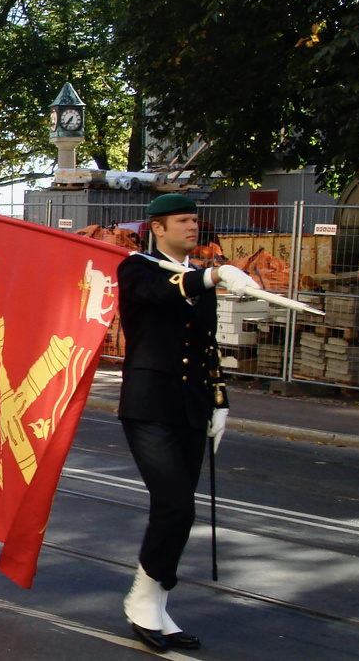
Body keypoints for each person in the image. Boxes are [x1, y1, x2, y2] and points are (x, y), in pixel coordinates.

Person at [117, 193, 246, 652]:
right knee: (175, 504)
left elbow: (207, 346)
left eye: (195, 220)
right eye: (183, 220)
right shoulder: (136, 268)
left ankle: (153, 601)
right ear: (158, 228)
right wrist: (209, 276)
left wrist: (220, 400)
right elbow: (159, 293)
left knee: (178, 509)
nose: (193, 227)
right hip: (149, 406)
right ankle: (143, 601)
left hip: (193, 406)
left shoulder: (198, 278)